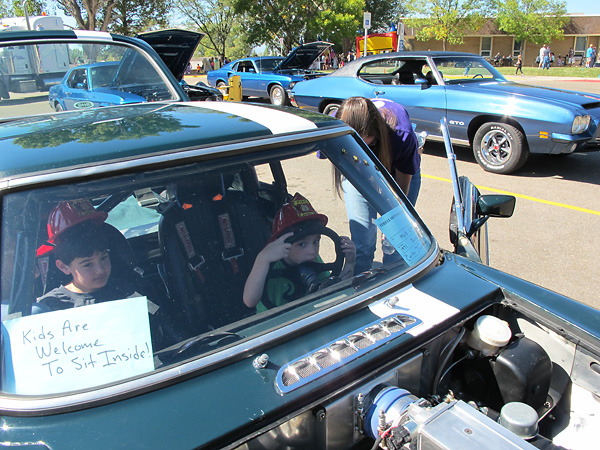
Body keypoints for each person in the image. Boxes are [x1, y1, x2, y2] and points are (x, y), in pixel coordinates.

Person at [335, 97, 420, 274]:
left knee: (395, 241)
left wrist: (396, 214)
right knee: (362, 242)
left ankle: (392, 281)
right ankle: (361, 289)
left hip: (398, 174)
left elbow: (405, 176)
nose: (361, 152)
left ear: (378, 135)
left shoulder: (400, 134)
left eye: (369, 145)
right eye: (354, 147)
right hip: (358, 175)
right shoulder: (335, 127)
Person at [243, 193, 355, 312]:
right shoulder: (270, 266)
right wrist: (262, 259)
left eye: (316, 241)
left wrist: (349, 263)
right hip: (273, 325)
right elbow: (250, 301)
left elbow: (333, 290)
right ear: (282, 243)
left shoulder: (313, 261)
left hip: (308, 318)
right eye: (302, 244)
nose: (312, 251)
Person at [36, 199, 138, 311]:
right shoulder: (49, 307)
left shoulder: (128, 292)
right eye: (87, 264)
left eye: (103, 258)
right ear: (63, 267)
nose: (100, 270)